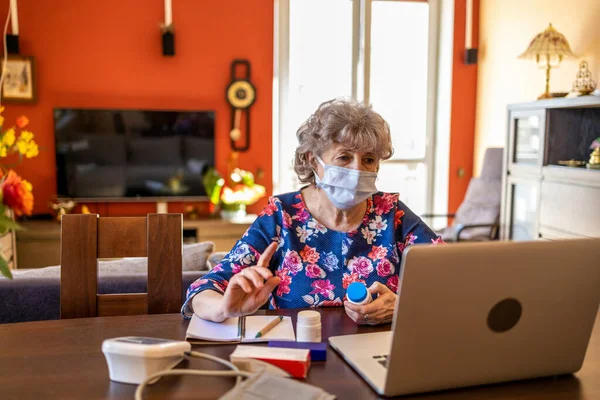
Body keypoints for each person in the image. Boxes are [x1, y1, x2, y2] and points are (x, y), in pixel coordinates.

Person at [182, 99, 442, 326]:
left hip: (377, 356)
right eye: (344, 157)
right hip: (297, 353)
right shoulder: (281, 216)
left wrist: (403, 305)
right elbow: (202, 291)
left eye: (369, 159)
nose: (357, 169)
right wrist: (224, 308)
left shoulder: (391, 213)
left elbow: (451, 279)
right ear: (311, 160)